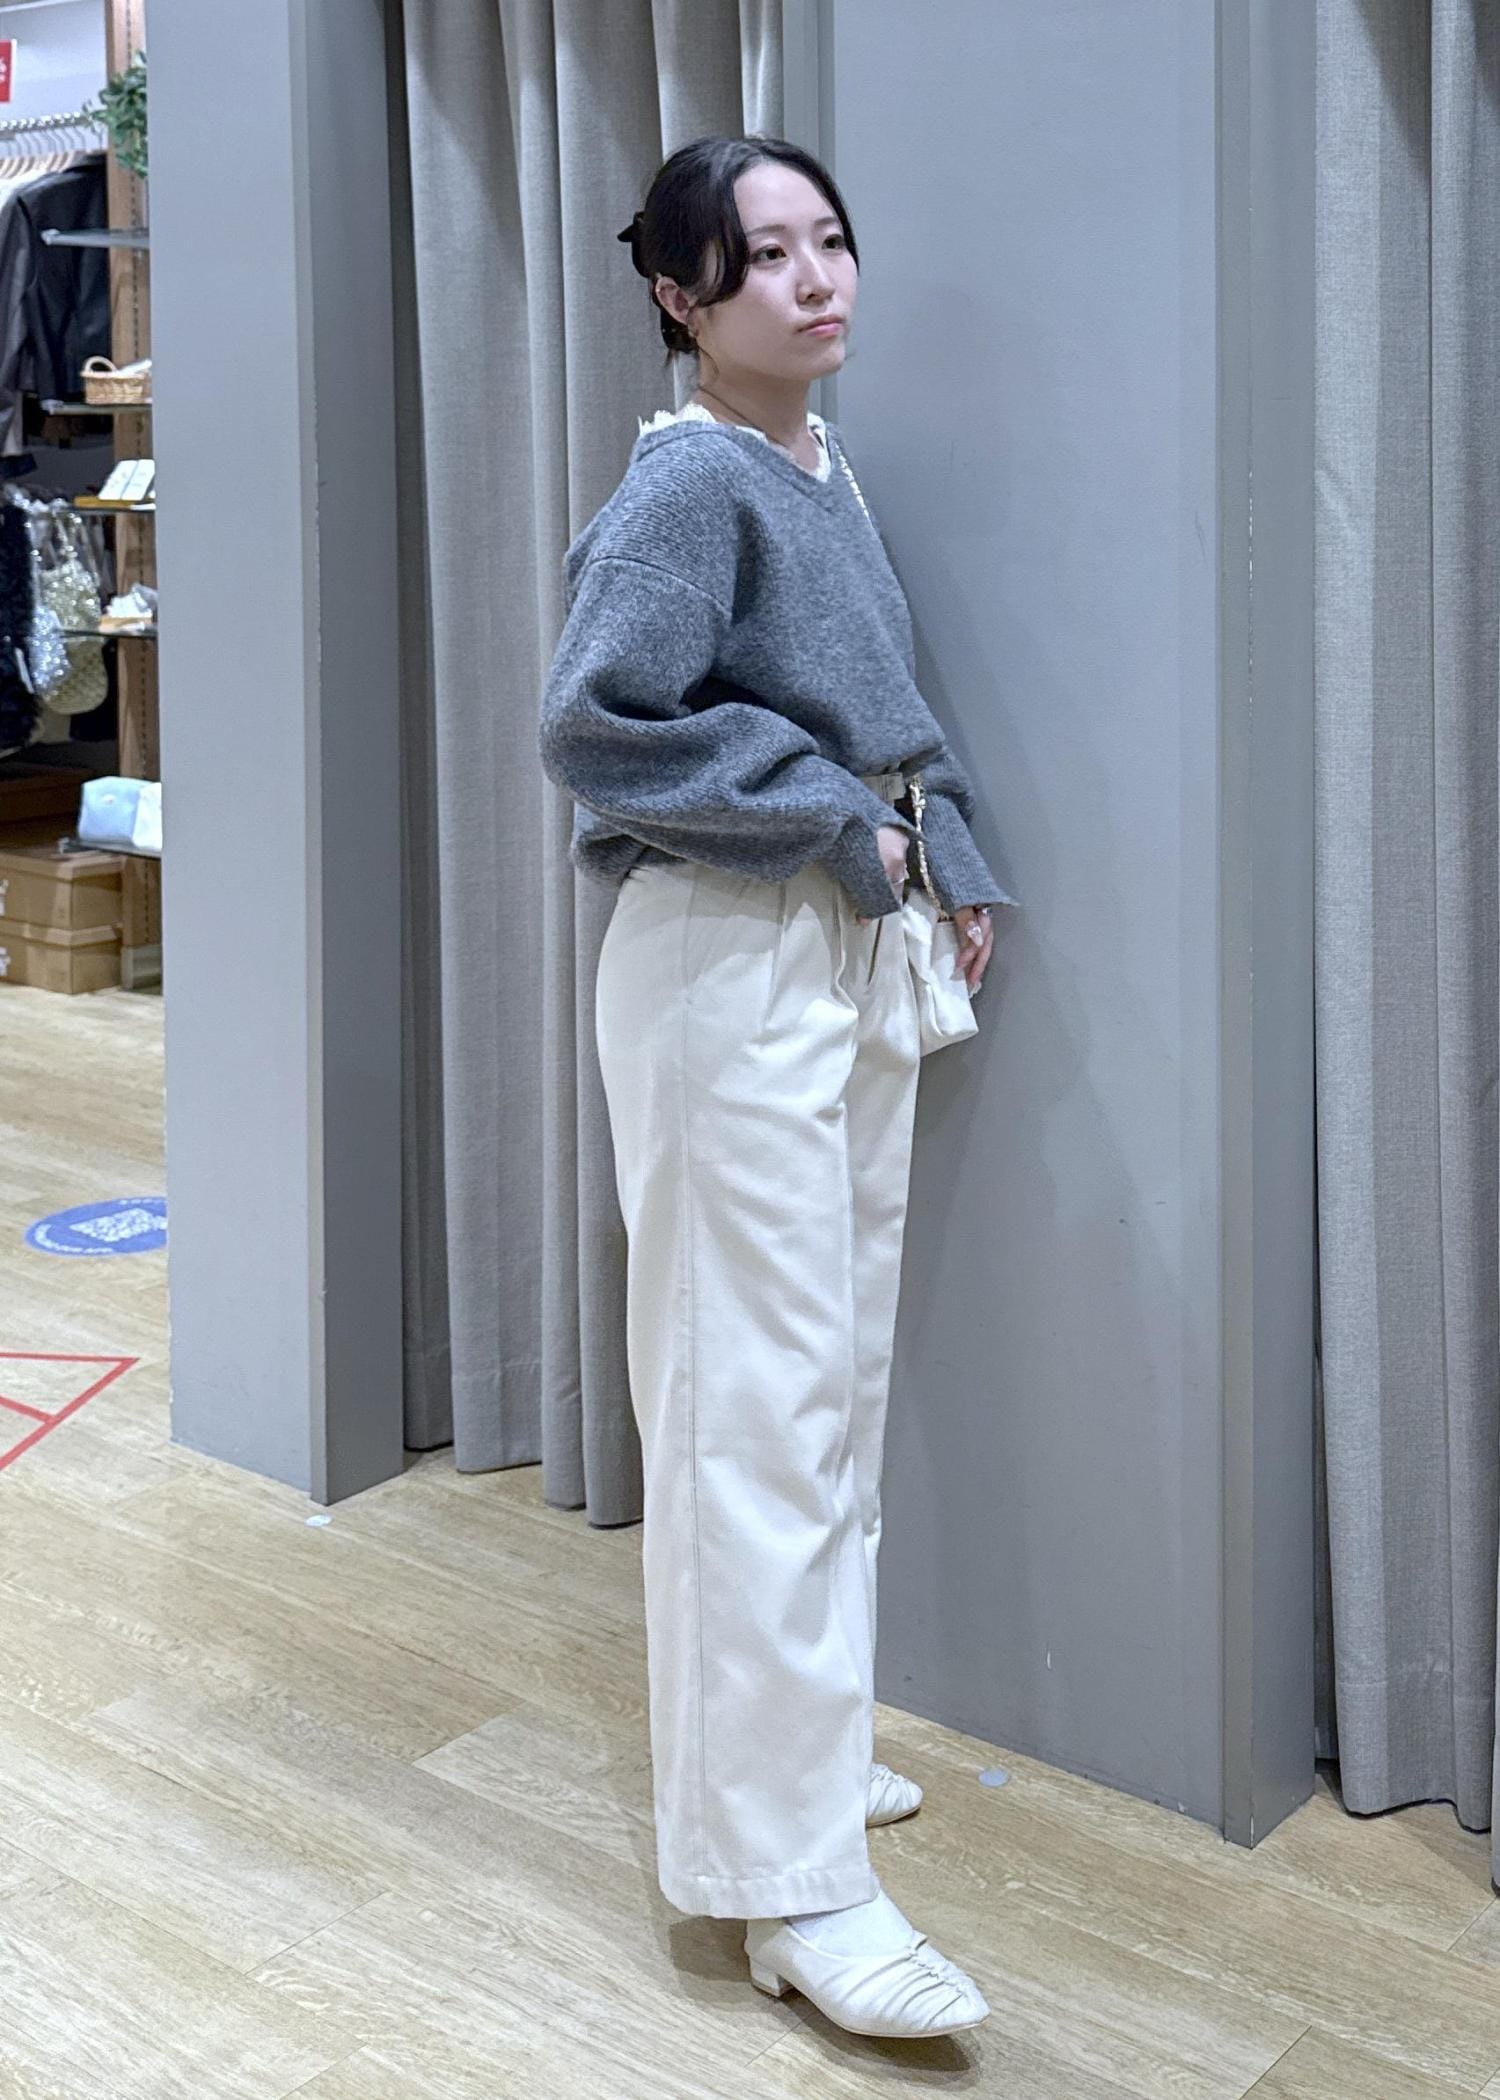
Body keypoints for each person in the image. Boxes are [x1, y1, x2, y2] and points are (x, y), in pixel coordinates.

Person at [537, 132, 1018, 2042]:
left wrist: (944, 851)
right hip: (722, 961)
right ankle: (784, 1884)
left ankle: (796, 1762)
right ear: (680, 296)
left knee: (831, 1382)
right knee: (750, 1399)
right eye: (763, 257)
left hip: (838, 948)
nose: (815, 280)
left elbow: (876, 709)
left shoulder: (821, 463)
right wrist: (836, 822)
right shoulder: (688, 485)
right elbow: (593, 726)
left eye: (830, 241)